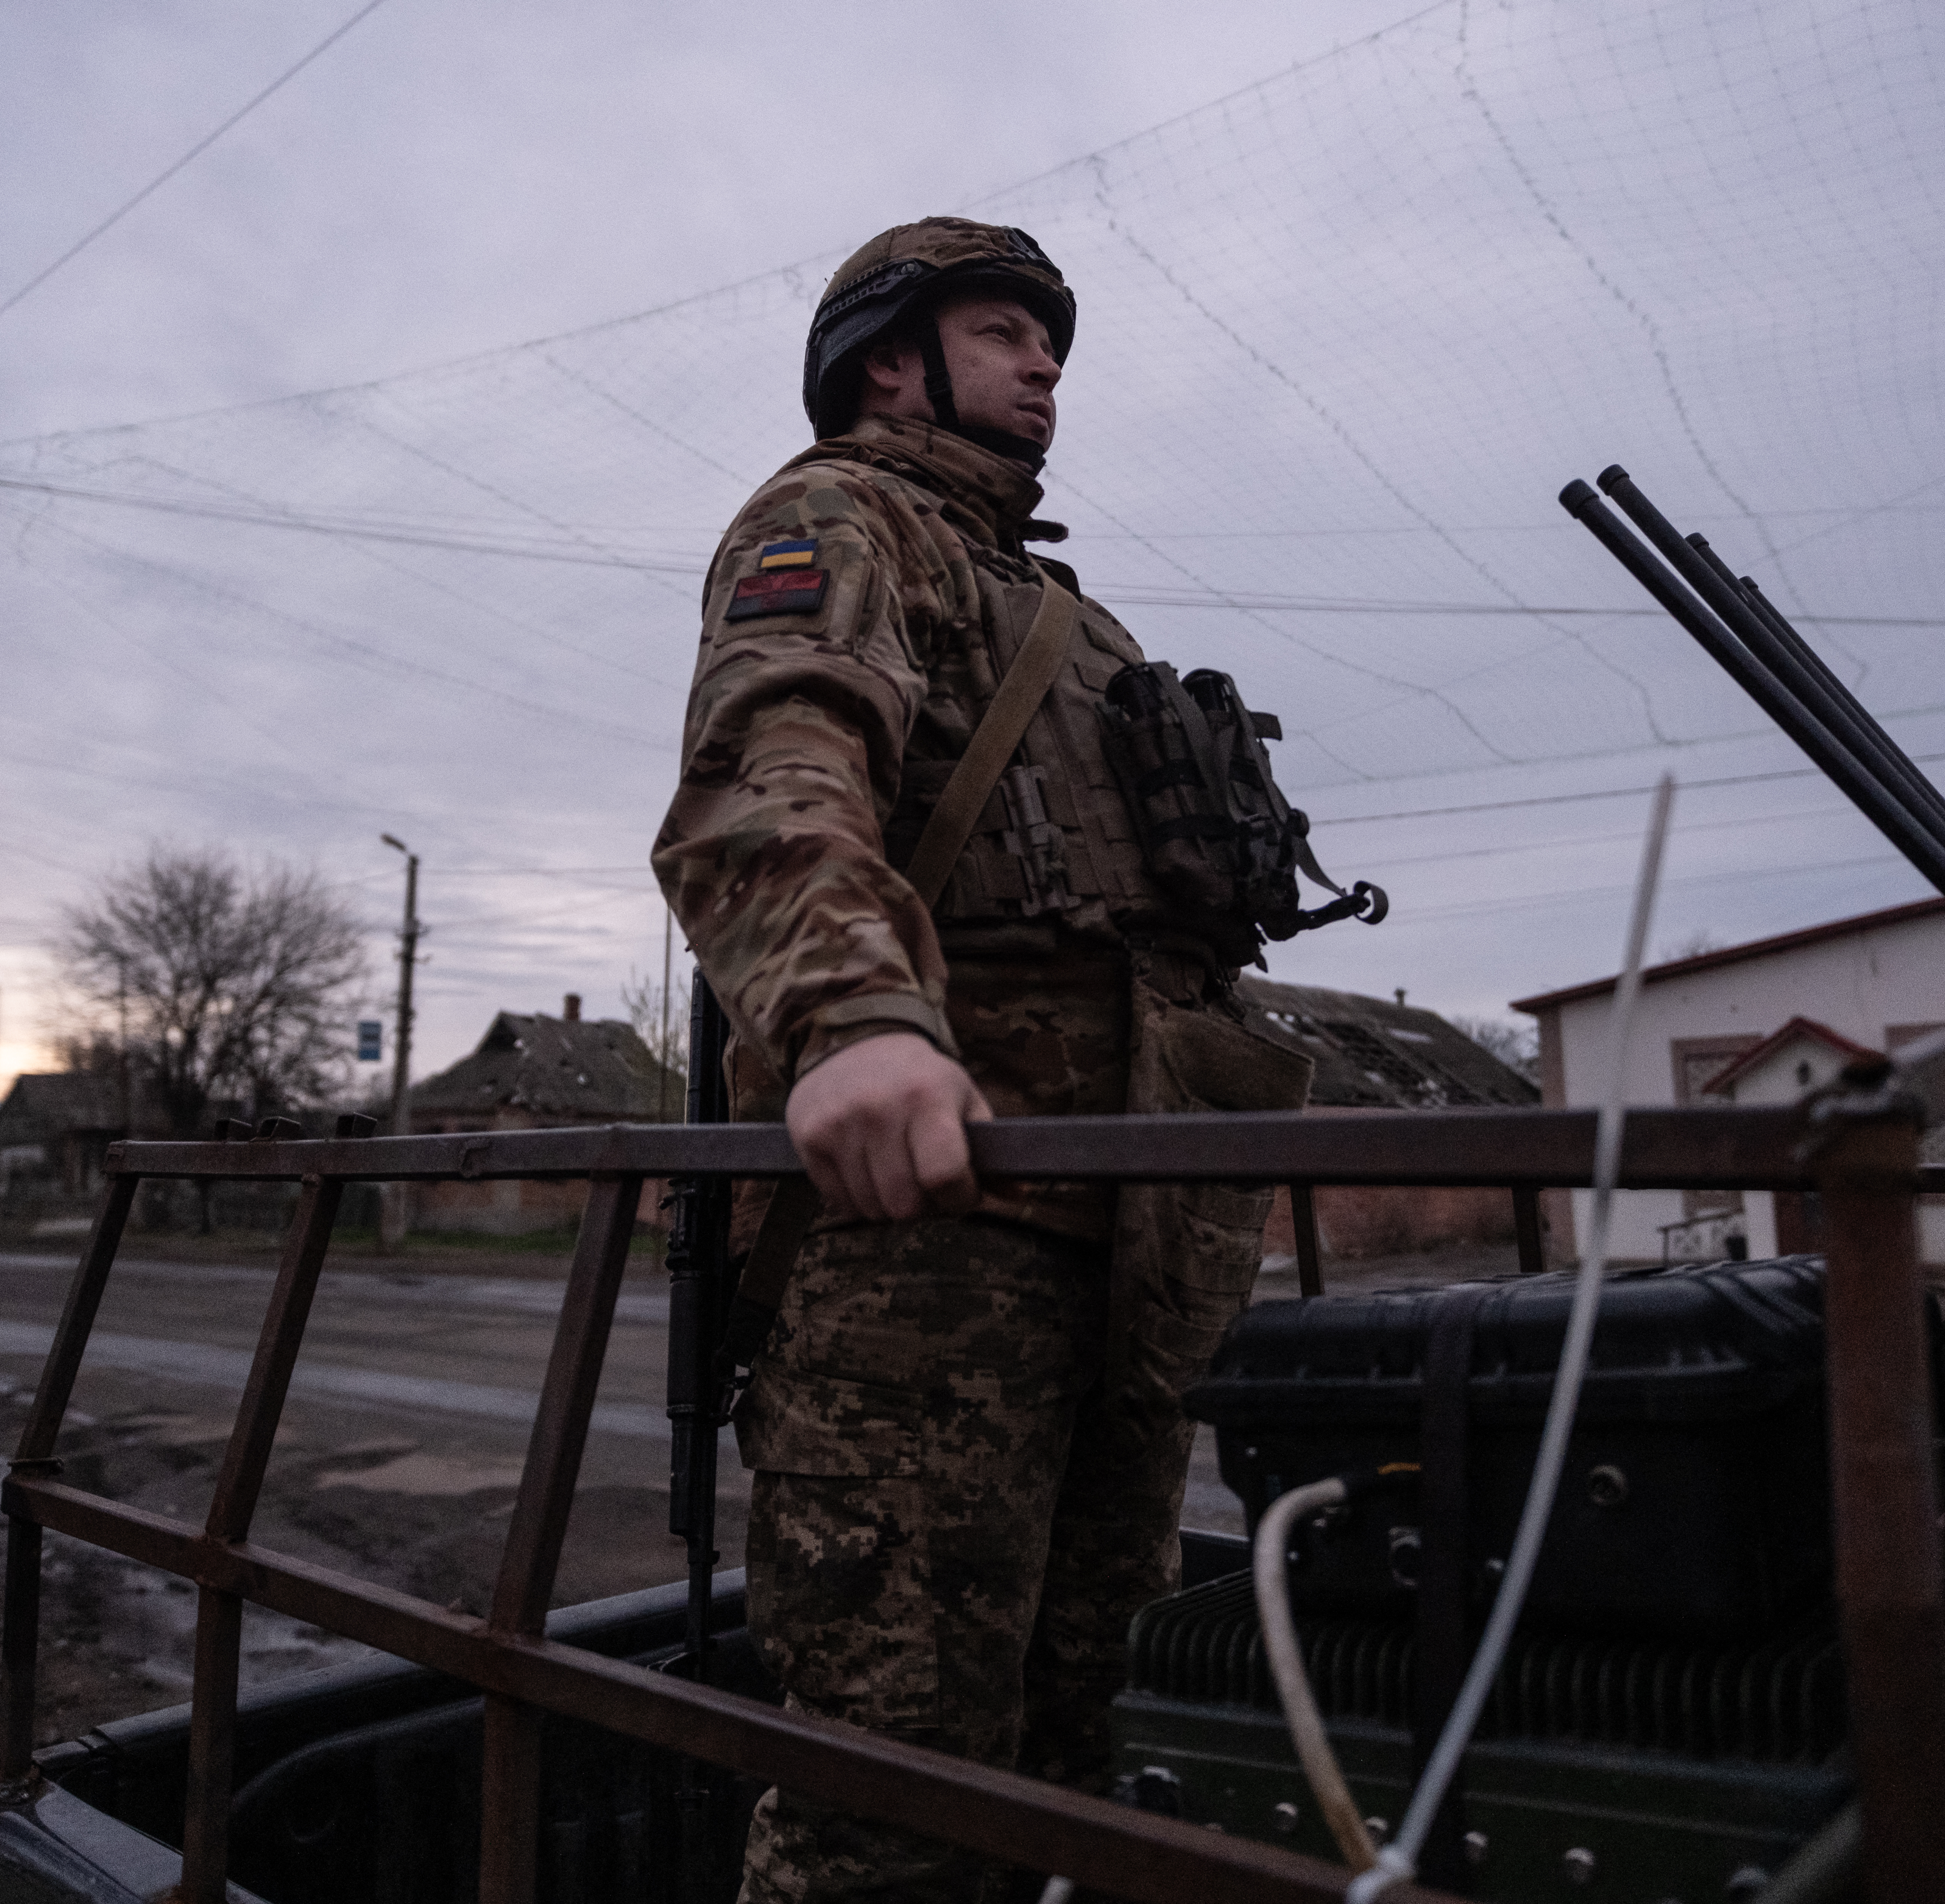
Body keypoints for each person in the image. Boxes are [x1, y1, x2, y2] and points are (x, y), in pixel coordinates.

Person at [652, 216, 1312, 1903]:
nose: (1046, 363)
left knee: (1093, 1732)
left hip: (1129, 1242)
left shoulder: (1072, 619)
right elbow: (772, 767)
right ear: (892, 362)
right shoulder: (837, 519)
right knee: (897, 1785)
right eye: (1005, 331)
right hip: (930, 1247)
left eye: (1048, 338)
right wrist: (853, 1020)